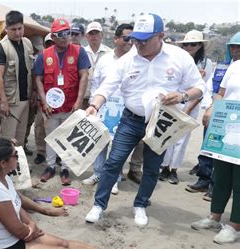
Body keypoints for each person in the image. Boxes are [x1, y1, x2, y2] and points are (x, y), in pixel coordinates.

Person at [85, 13, 205, 226]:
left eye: (144, 40)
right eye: (135, 39)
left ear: (160, 36)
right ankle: (99, 205)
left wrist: (182, 96)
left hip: (162, 122)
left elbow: (199, 88)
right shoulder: (127, 60)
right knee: (113, 162)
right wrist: (94, 105)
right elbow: (107, 87)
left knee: (152, 167)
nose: (138, 44)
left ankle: (141, 204)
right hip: (131, 120)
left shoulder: (179, 57)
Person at [0, 138, 139, 249]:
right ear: (3, 163)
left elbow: (17, 201)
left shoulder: (2, 176)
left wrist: (33, 222)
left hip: (16, 238)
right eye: (15, 155)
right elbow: (17, 230)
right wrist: (30, 229)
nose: (18, 157)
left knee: (63, 243)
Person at [0, 114, 67, 217]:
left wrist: (7, 143)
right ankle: (41, 209)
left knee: (13, 187)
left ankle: (38, 207)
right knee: (12, 189)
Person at [35, 18, 90, 185]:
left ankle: (65, 168)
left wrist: (79, 100)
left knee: (68, 138)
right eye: (61, 34)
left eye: (68, 33)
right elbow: (38, 79)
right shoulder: (44, 55)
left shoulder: (79, 52)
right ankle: (50, 166)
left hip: (71, 105)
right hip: (50, 107)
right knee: (51, 137)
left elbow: (84, 75)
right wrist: (44, 102)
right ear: (53, 36)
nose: (66, 37)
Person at [190, 59, 240, 244]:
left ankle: (234, 226)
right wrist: (212, 107)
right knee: (221, 176)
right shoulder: (235, 66)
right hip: (228, 126)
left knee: (239, 180)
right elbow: (221, 93)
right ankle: (214, 217)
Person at [186, 32, 240, 199]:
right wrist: (210, 108)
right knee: (209, 148)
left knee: (229, 154)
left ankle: (217, 187)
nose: (236, 50)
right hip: (219, 114)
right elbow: (212, 89)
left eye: (239, 47)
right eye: (232, 46)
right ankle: (204, 180)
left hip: (235, 119)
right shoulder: (225, 66)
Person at [82, 23, 134, 195]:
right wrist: (93, 104)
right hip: (103, 107)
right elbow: (96, 83)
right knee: (100, 142)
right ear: (116, 39)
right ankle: (98, 173)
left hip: (126, 110)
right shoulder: (105, 60)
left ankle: (114, 179)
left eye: (133, 39)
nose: (130, 42)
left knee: (118, 146)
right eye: (127, 38)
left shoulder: (137, 61)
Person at [158, 30, 213, 185]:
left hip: (192, 103)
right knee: (168, 135)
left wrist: (189, 107)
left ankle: (174, 169)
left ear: (200, 45)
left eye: (193, 44)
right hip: (174, 101)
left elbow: (203, 89)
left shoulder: (206, 63)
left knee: (182, 138)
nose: (189, 46)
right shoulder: (177, 59)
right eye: (186, 44)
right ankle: (164, 167)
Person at [0, 11, 37, 147]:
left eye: (20, 28)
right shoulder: (1, 47)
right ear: (6, 28)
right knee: (7, 138)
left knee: (21, 137)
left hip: (26, 98)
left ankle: (18, 166)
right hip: (10, 100)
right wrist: (3, 101)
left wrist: (34, 90)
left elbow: (31, 70)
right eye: (13, 29)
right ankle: (6, 168)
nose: (17, 33)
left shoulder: (27, 43)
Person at [33, 33, 54, 165]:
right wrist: (35, 92)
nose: (51, 46)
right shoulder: (41, 58)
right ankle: (41, 152)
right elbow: (35, 77)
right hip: (43, 98)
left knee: (58, 128)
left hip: (59, 101)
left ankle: (57, 155)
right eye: (48, 43)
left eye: (53, 43)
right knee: (40, 126)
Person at [83, 21, 112, 109]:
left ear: (102, 35)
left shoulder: (110, 53)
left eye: (96, 33)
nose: (93, 36)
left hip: (103, 97)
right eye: (91, 33)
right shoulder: (81, 52)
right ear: (86, 36)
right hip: (84, 96)